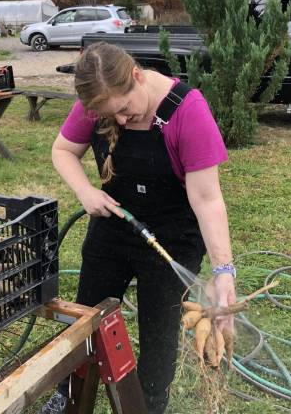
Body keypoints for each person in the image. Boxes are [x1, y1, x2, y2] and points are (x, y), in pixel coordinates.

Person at [40, 41, 236, 414]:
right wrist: (84, 191)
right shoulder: (97, 102)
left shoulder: (187, 110)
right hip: (114, 226)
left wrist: (224, 270)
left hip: (173, 235)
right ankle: (67, 396)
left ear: (136, 76)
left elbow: (208, 200)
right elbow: (62, 150)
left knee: (159, 337)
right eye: (113, 116)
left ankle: (148, 405)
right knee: (83, 322)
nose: (124, 121)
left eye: (125, 109)